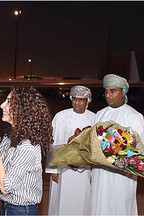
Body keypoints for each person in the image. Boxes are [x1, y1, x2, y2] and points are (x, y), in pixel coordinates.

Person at [0, 86, 53, 215]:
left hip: (22, 211)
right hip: (7, 208)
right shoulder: (9, 137)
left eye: (8, 102)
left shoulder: (28, 146)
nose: (2, 105)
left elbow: (5, 187)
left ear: (22, 109)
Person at [90, 74, 144, 215]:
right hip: (100, 173)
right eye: (106, 91)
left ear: (123, 92)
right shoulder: (99, 115)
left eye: (113, 91)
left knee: (119, 207)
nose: (108, 95)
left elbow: (140, 149)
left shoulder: (134, 117)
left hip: (122, 176)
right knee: (99, 206)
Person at [45, 85, 95, 215]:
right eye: (74, 99)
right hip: (64, 169)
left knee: (83, 202)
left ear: (87, 101)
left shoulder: (94, 118)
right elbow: (53, 143)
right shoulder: (61, 117)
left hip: (85, 170)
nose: (77, 103)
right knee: (62, 202)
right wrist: (53, 170)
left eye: (81, 100)